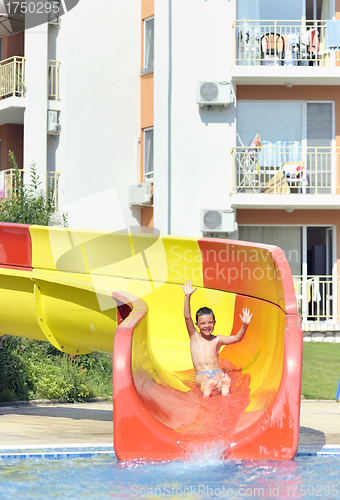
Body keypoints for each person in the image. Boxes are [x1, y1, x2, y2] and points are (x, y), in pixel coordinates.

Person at [181, 280, 252, 398]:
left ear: (214, 323)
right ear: (197, 325)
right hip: (201, 373)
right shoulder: (194, 336)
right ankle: (209, 388)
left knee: (221, 379)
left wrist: (245, 325)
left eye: (210, 322)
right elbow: (187, 316)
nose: (207, 325)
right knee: (203, 381)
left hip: (217, 371)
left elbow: (236, 338)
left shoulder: (218, 339)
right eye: (203, 323)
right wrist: (187, 296)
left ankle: (224, 388)